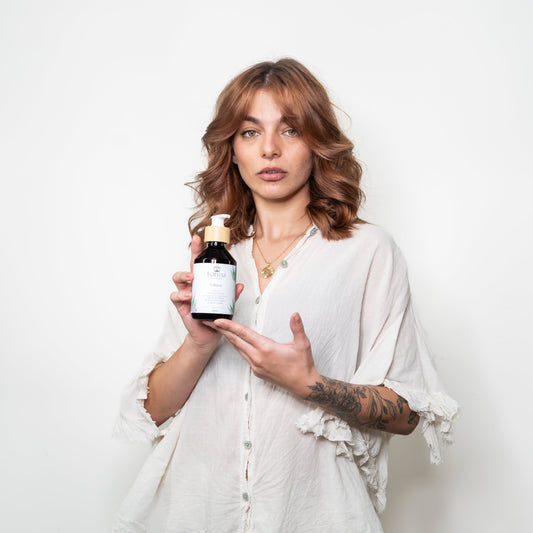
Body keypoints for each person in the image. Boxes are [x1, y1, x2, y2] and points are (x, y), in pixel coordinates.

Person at [113, 58, 458, 533]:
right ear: (232, 150)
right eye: (250, 132)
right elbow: (153, 411)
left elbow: (407, 412)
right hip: (198, 511)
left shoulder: (367, 252)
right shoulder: (215, 257)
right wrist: (197, 344)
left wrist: (309, 383)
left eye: (290, 130)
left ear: (317, 143)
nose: (270, 149)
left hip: (314, 514)